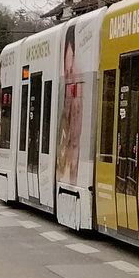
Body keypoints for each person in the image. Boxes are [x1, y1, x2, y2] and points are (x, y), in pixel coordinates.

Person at [57, 24, 81, 184]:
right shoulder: (62, 113)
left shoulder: (81, 109)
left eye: (71, 71)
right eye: (67, 72)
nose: (69, 75)